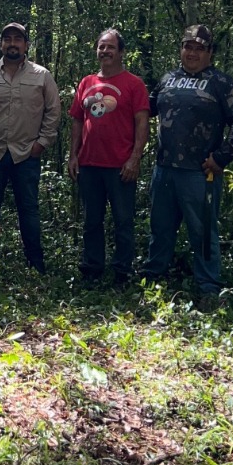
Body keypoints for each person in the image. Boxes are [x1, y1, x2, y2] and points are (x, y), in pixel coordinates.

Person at [143, 24, 233, 301]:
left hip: (200, 172)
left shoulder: (220, 82)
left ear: (209, 52)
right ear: (181, 49)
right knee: (160, 229)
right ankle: (153, 281)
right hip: (164, 169)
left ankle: (208, 288)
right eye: (187, 47)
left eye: (199, 49)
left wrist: (222, 157)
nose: (192, 53)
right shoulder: (168, 79)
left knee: (202, 232)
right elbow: (144, 110)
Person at [0, 22, 61, 273]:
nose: (12, 43)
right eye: (8, 39)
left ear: (26, 45)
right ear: (1, 44)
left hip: (27, 153)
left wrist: (42, 143)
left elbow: (53, 111)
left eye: (18, 39)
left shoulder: (42, 75)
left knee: (28, 208)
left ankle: (35, 262)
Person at [68, 28, 150, 286]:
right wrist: (73, 156)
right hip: (89, 164)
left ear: (121, 52)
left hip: (120, 166)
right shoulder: (86, 83)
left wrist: (135, 158)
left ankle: (122, 272)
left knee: (123, 220)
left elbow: (142, 123)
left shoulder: (134, 84)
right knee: (92, 221)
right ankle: (92, 269)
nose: (105, 51)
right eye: (101, 47)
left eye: (110, 47)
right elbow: (77, 121)